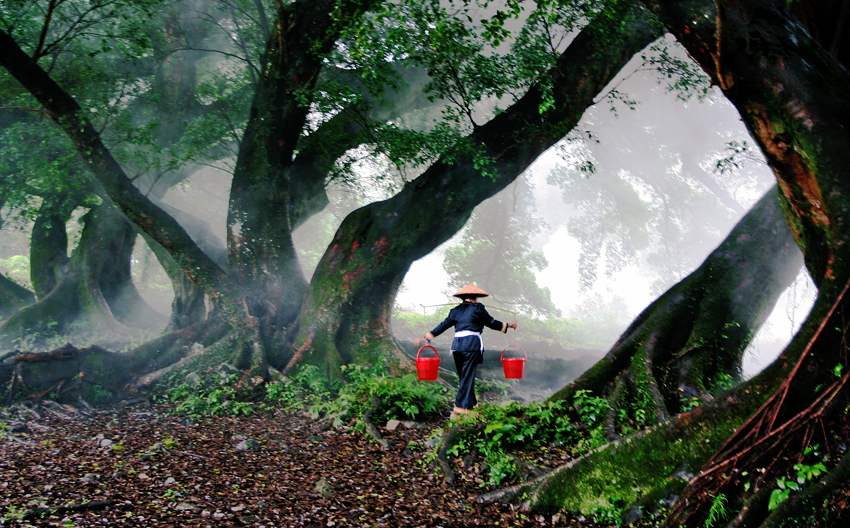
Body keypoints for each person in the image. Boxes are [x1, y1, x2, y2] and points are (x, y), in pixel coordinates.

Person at [423, 283, 516, 417]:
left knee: (465, 377)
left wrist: (430, 335)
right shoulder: (478, 308)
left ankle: (472, 405)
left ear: (463, 298)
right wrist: (508, 326)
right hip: (471, 345)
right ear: (475, 297)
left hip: (457, 347)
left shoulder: (455, 311)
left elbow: (444, 325)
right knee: (467, 377)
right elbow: (491, 322)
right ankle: (460, 408)